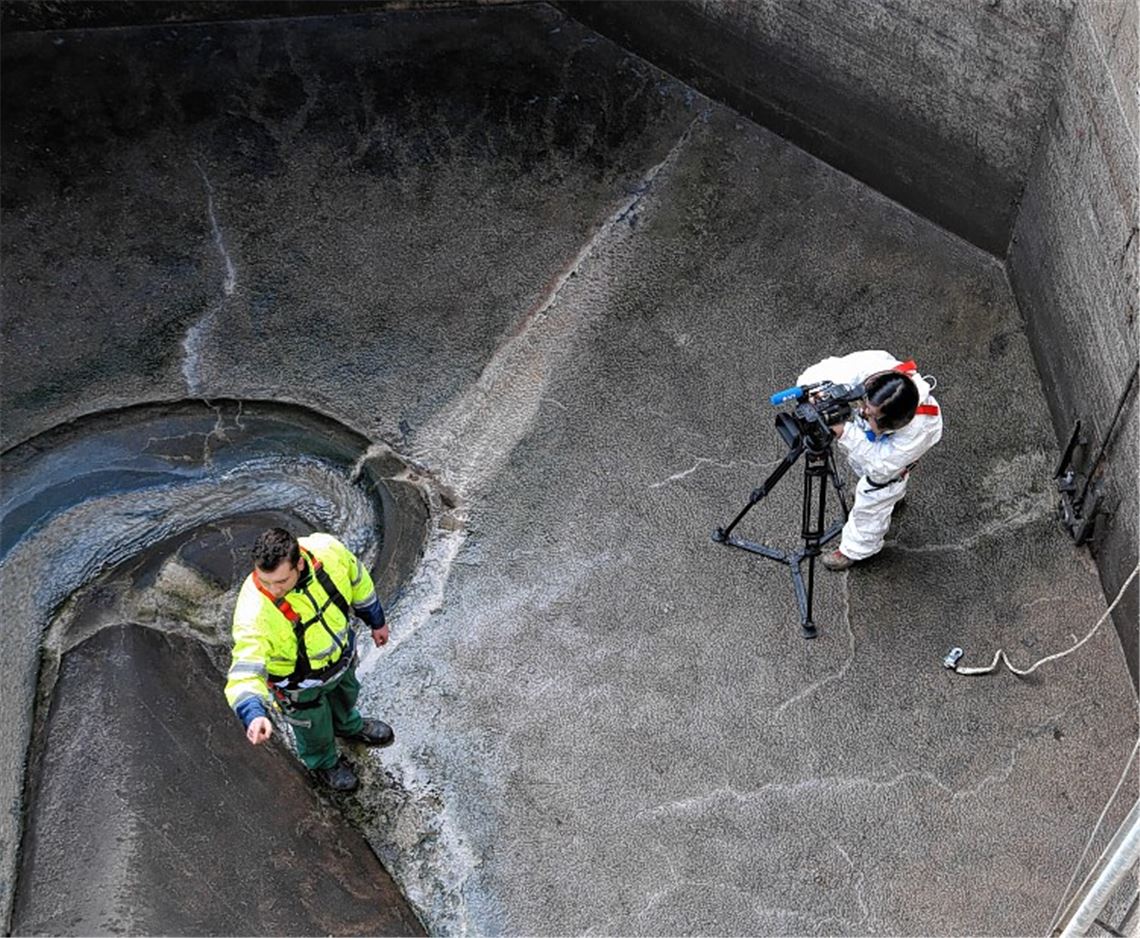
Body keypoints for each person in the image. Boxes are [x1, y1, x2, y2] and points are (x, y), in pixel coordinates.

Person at [224, 527, 393, 792]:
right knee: (312, 727)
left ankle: (348, 726)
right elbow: (245, 670)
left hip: (342, 661)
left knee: (346, 697)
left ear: (300, 563)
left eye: (280, 581)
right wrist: (253, 714)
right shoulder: (253, 612)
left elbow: (357, 579)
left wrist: (376, 620)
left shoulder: (328, 551)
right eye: (264, 581)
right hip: (299, 688)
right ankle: (324, 762)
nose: (272, 589)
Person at [795, 350, 943, 570]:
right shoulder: (874, 366)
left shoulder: (918, 432)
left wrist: (846, 433)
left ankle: (858, 549)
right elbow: (823, 371)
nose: (863, 413)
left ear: (898, 422)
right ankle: (895, 498)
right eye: (865, 406)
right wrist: (814, 394)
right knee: (868, 459)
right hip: (885, 443)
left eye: (871, 415)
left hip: (888, 464)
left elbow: (879, 468)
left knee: (876, 493)